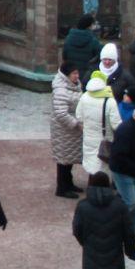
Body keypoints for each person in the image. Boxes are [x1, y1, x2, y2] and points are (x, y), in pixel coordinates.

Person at [72, 171, 131, 269]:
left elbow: (76, 229)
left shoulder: (83, 206)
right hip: (114, 253)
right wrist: (130, 250)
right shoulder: (119, 205)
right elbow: (128, 231)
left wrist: (86, 243)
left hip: (92, 254)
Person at [108, 102, 135, 243]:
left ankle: (130, 232)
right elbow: (119, 155)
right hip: (124, 172)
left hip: (132, 172)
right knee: (131, 202)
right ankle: (114, 228)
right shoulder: (126, 130)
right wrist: (133, 167)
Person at [50, 62, 85, 199]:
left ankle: (68, 183)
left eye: (77, 73)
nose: (77, 76)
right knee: (64, 160)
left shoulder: (73, 85)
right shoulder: (61, 91)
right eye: (74, 74)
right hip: (64, 132)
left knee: (68, 160)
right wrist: (76, 123)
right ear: (66, 75)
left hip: (70, 132)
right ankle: (62, 188)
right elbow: (61, 113)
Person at [76, 72, 120, 181]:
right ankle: (103, 191)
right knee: (103, 166)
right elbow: (116, 124)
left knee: (92, 165)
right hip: (105, 139)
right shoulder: (110, 101)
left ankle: (92, 188)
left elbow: (79, 117)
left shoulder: (84, 97)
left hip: (88, 138)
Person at [61, 13, 102, 80]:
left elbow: (64, 56)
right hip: (86, 75)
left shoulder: (69, 38)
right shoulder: (93, 40)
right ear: (89, 26)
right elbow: (101, 55)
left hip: (71, 74)